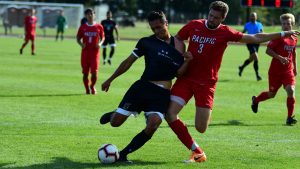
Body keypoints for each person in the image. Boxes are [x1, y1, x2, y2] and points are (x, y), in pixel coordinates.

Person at [165, 1, 299, 163]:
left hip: (207, 83)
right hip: (186, 79)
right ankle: (197, 152)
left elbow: (255, 37)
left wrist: (282, 34)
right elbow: (178, 38)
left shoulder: (226, 32)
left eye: (216, 18)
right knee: (170, 114)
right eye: (210, 15)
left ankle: (204, 114)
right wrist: (182, 56)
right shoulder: (194, 25)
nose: (211, 19)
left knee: (201, 127)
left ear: (223, 18)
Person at [99, 11, 192, 163]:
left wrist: (187, 61)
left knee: (154, 124)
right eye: (153, 29)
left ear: (166, 23)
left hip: (161, 94)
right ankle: (113, 115)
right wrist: (110, 79)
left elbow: (179, 74)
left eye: (159, 27)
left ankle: (123, 155)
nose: (157, 31)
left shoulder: (180, 45)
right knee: (116, 123)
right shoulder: (146, 42)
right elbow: (128, 62)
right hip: (142, 88)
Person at [251, 13, 298, 126]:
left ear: (292, 24)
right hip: (275, 72)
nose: (285, 26)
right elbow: (268, 50)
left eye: (288, 24)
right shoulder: (278, 37)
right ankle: (256, 100)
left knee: (291, 91)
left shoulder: (294, 38)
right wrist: (280, 58)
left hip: (288, 71)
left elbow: (293, 53)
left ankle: (289, 117)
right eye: (283, 24)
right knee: (272, 94)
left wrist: (295, 67)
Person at [76, 8, 105, 95]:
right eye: (88, 14)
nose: (90, 15)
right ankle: (87, 89)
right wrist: (81, 44)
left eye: (91, 14)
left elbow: (103, 37)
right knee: (85, 73)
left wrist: (100, 43)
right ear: (86, 16)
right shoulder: (83, 27)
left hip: (95, 54)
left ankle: (92, 86)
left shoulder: (99, 26)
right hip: (85, 54)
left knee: (94, 73)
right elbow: (78, 38)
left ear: (94, 15)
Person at [238, 12, 264, 81]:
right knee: (256, 57)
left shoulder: (259, 24)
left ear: (256, 17)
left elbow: (262, 33)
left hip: (257, 43)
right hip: (249, 42)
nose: (252, 17)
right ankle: (257, 75)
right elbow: (242, 32)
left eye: (254, 16)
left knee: (252, 58)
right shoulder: (247, 25)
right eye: (251, 16)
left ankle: (242, 67)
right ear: (250, 17)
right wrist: (238, 37)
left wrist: (261, 33)